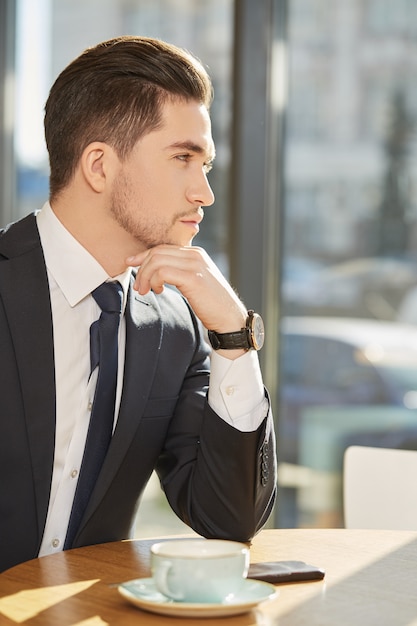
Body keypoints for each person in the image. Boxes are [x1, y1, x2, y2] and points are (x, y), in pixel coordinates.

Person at [0, 35, 276, 573]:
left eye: (207, 166)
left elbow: (227, 519)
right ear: (99, 166)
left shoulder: (177, 327)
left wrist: (233, 335)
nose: (205, 193)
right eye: (182, 158)